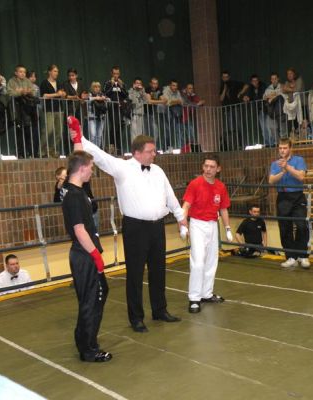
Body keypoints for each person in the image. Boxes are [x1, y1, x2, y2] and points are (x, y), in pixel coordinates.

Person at [68, 116, 187, 333]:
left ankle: (160, 309)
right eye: (150, 151)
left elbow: (169, 194)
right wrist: (79, 137)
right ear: (137, 153)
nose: (154, 154)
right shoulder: (122, 168)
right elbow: (100, 156)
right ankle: (136, 318)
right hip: (135, 228)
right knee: (135, 274)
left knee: (158, 270)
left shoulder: (158, 171)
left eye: (154, 151)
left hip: (157, 227)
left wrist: (180, 216)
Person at [61, 150, 112, 363]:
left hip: (84, 254)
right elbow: (80, 230)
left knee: (97, 294)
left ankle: (85, 340)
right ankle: (88, 349)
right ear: (82, 169)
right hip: (84, 255)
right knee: (92, 300)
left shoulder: (75, 190)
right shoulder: (74, 196)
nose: (92, 171)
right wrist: (95, 255)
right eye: (91, 167)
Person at [182, 155, 232, 313]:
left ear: (218, 169)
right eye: (206, 166)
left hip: (212, 225)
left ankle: (206, 293)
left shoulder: (220, 187)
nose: (208, 169)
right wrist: (183, 224)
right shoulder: (195, 184)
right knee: (198, 262)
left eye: (212, 167)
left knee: (211, 261)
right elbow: (186, 205)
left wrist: (228, 228)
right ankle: (194, 298)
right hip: (197, 224)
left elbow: (223, 208)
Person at [269, 138, 310, 268]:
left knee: (302, 225)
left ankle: (302, 256)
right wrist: (282, 171)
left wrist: (287, 167)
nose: (282, 150)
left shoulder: (299, 160)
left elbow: (301, 176)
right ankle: (291, 256)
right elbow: (271, 180)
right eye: (280, 148)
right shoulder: (275, 164)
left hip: (297, 196)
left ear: (290, 148)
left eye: (285, 148)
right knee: (285, 228)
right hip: (283, 197)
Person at [53, 166, 100, 233]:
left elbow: (83, 192)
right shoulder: (62, 185)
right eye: (60, 179)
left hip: (90, 211)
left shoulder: (78, 180)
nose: (63, 180)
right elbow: (56, 201)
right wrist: (58, 189)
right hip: (78, 216)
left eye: (66, 176)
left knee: (93, 235)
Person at [7, 65, 39, 158]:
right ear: (16, 73)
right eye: (20, 72)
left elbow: (33, 91)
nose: (23, 74)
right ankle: (20, 153)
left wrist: (27, 92)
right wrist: (19, 92)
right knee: (19, 132)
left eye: (24, 72)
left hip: (27, 109)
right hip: (17, 108)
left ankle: (28, 152)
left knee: (28, 131)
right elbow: (9, 92)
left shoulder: (27, 81)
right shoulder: (11, 81)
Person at [40, 64, 66, 157]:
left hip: (59, 109)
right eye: (55, 71)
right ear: (49, 72)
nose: (56, 73)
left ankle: (52, 150)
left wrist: (63, 94)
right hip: (49, 110)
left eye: (57, 71)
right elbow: (44, 95)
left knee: (59, 131)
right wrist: (56, 94)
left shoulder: (59, 83)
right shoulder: (44, 83)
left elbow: (62, 94)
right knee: (48, 130)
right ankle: (42, 151)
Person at [219, 70, 248, 150]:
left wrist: (240, 93)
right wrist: (224, 89)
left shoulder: (234, 83)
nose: (225, 79)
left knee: (239, 126)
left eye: (226, 77)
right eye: (224, 77)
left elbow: (246, 86)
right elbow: (221, 98)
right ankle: (234, 145)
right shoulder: (222, 86)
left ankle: (243, 144)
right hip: (228, 109)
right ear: (222, 78)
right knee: (231, 128)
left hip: (236, 107)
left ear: (229, 77)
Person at [103, 66, 128, 154]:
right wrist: (112, 85)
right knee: (114, 125)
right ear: (111, 74)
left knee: (120, 127)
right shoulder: (108, 83)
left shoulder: (122, 83)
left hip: (121, 108)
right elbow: (106, 93)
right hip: (112, 107)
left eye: (117, 74)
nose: (116, 75)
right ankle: (112, 145)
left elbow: (125, 95)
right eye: (114, 74)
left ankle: (118, 147)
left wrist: (121, 86)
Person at [87, 81, 108, 148]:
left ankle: (97, 150)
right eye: (95, 87)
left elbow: (109, 99)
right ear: (92, 88)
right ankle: (92, 150)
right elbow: (88, 99)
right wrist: (96, 98)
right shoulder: (90, 94)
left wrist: (104, 98)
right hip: (92, 117)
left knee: (99, 136)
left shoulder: (102, 94)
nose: (97, 88)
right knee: (93, 135)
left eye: (98, 87)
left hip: (101, 117)